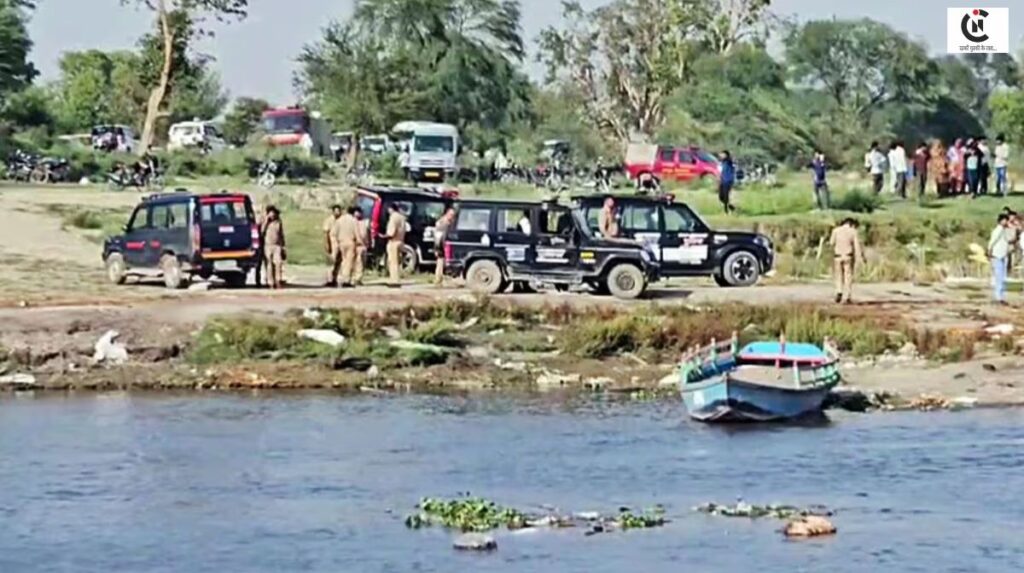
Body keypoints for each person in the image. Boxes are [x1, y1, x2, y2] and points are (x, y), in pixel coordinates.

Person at [829, 218, 865, 304]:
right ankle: (847, 295)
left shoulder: (836, 231)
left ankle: (839, 291)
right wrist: (860, 257)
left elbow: (831, 243)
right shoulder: (853, 232)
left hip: (837, 256)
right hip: (848, 256)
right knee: (848, 276)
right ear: (851, 224)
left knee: (838, 275)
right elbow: (857, 246)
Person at [988, 213, 1012, 304]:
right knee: (1000, 276)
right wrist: (989, 250)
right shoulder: (999, 230)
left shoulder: (1003, 230)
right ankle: (999, 297)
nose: (1007, 222)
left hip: (1001, 254)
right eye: (1006, 220)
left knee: (1001, 276)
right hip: (997, 255)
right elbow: (992, 241)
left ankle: (1000, 296)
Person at [334, 206, 360, 287]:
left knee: (343, 260)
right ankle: (346, 280)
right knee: (349, 261)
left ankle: (341, 277)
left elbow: (335, 232)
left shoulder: (339, 220)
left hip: (341, 242)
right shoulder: (354, 221)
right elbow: (356, 233)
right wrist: (359, 241)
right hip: (350, 242)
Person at [383, 203, 407, 287]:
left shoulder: (393, 217)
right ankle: (397, 278)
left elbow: (391, 232)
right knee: (398, 262)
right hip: (400, 241)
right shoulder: (402, 218)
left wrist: (384, 236)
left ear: (391, 209)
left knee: (392, 262)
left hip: (393, 241)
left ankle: (394, 281)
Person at [262, 206, 286, 290]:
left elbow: (281, 234)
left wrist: (283, 246)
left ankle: (278, 280)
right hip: (268, 245)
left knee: (278, 263)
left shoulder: (278, 222)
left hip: (277, 245)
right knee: (269, 264)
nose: (272, 215)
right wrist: (266, 221)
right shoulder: (265, 222)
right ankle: (270, 282)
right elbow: (261, 231)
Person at [433, 206, 456, 285]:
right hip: (440, 244)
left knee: (443, 263)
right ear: (447, 214)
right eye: (451, 214)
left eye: (453, 215)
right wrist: (436, 248)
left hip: (447, 244)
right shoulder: (441, 223)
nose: (452, 216)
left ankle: (440, 279)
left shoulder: (450, 222)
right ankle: (438, 279)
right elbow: (437, 236)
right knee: (440, 262)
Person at [323, 204, 343, 287]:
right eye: (336, 211)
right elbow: (326, 233)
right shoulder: (329, 220)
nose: (338, 213)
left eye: (339, 211)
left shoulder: (342, 220)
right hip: (333, 241)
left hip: (341, 241)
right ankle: (329, 279)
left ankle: (334, 279)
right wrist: (327, 244)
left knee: (339, 262)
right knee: (331, 262)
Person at [353, 209, 369, 286]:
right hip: (356, 245)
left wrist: (369, 242)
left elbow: (368, 233)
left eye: (359, 213)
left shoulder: (364, 223)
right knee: (357, 262)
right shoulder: (352, 223)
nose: (357, 215)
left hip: (364, 245)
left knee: (363, 262)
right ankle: (355, 278)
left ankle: (359, 278)